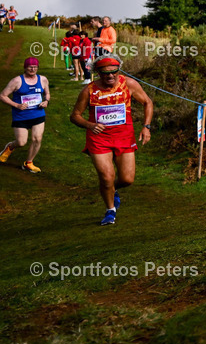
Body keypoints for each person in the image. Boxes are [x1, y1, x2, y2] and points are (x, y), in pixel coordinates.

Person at [70, 57, 153, 226]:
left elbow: (147, 102)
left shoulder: (129, 84)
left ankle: (111, 190)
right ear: (98, 73)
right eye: (106, 73)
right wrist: (89, 125)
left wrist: (146, 126)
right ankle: (110, 210)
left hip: (124, 137)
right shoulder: (89, 90)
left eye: (114, 72)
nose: (110, 76)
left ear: (119, 71)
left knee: (127, 179)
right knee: (107, 177)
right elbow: (75, 115)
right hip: (99, 139)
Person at [0, 57, 50, 173]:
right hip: (21, 115)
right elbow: (2, 95)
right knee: (21, 142)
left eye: (35, 67)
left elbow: (47, 94)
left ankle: (29, 163)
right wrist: (16, 105)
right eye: (30, 67)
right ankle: (10, 147)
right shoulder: (16, 81)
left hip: (38, 114)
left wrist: (46, 101)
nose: (32, 69)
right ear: (25, 67)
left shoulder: (43, 80)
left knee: (37, 139)